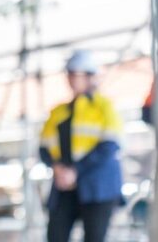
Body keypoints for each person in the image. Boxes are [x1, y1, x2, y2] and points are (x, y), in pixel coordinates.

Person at [39, 50, 124, 242]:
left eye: (75, 74)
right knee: (55, 235)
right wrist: (57, 167)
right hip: (64, 188)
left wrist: (76, 171)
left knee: (94, 237)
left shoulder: (104, 108)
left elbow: (109, 146)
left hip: (98, 187)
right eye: (69, 74)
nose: (70, 79)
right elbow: (44, 147)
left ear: (90, 76)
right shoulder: (58, 112)